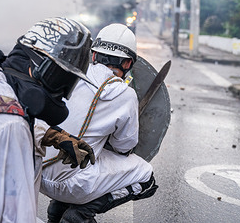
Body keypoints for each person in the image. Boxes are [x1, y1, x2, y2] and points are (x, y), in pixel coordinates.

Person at [0, 17, 96, 223]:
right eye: (61, 80)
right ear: (38, 66)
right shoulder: (10, 126)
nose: (62, 93)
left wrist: (53, 135)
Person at [38, 23, 158, 223]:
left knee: (82, 155)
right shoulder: (125, 94)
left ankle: (56, 212)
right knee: (146, 176)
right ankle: (81, 214)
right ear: (128, 64)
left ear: (93, 55)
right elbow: (123, 147)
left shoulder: (70, 75)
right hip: (72, 186)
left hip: (38, 175)